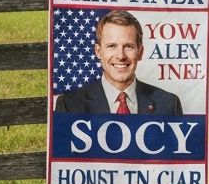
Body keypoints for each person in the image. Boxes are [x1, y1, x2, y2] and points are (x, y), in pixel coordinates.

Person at [54, 9, 183, 115]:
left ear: (140, 52)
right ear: (98, 52)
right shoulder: (70, 105)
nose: (120, 56)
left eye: (128, 46)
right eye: (111, 46)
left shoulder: (169, 105)